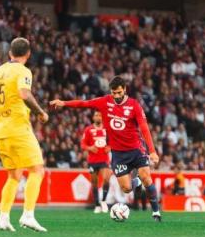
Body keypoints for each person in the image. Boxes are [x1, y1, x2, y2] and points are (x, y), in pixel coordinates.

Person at [50, 76, 162, 221]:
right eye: (113, 93)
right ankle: (136, 182)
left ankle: (156, 212)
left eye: (119, 93)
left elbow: (144, 128)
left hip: (136, 149)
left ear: (125, 90)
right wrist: (64, 103)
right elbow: (84, 103)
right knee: (127, 188)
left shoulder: (134, 105)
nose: (116, 96)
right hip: (118, 153)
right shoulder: (105, 101)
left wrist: (152, 151)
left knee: (147, 177)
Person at [0, 37, 49, 232]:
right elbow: (24, 94)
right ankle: (28, 215)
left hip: (0, 131)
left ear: (10, 53)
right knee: (37, 170)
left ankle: (3, 217)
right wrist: (40, 113)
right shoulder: (23, 71)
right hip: (18, 128)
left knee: (14, 175)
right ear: (28, 54)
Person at [81, 111, 111, 213]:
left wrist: (110, 147)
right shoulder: (88, 130)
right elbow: (83, 144)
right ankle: (97, 204)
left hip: (104, 159)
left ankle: (103, 200)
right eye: (96, 115)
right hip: (93, 160)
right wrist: (90, 148)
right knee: (94, 183)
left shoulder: (107, 129)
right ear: (93, 118)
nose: (97, 117)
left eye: (99, 115)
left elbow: (114, 141)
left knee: (107, 179)